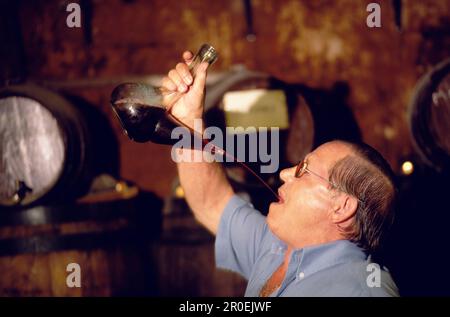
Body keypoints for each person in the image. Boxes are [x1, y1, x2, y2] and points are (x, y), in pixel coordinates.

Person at [161, 50, 399, 297]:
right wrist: (188, 120)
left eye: (303, 170)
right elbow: (210, 202)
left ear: (341, 206)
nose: (285, 173)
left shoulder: (362, 291)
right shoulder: (275, 245)